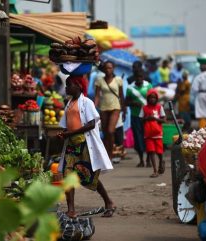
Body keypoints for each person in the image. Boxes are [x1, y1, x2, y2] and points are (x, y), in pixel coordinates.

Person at [58, 75, 115, 218]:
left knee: (89, 176)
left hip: (84, 144)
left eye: (69, 84)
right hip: (71, 145)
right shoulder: (69, 103)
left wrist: (70, 132)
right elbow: (67, 124)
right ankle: (71, 210)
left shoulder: (87, 102)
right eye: (66, 85)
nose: (66, 87)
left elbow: (91, 124)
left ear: (79, 86)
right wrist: (64, 133)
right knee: (67, 175)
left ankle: (109, 202)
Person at [94, 61, 126, 160]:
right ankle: (106, 152)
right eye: (107, 68)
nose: (108, 70)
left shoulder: (118, 79)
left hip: (115, 107)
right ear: (104, 69)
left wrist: (124, 109)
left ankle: (110, 152)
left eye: (110, 68)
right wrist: (94, 107)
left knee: (110, 131)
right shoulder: (99, 80)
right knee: (105, 132)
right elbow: (97, 96)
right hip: (103, 108)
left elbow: (121, 95)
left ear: (113, 69)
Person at [125, 70, 152, 167]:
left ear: (143, 77)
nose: (139, 79)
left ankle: (149, 160)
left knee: (148, 137)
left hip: (147, 116)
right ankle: (141, 160)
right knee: (138, 138)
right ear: (135, 78)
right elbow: (126, 102)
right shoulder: (130, 88)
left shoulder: (148, 86)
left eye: (141, 77)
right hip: (135, 116)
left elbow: (153, 99)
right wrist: (133, 103)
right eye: (137, 77)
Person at [139, 89, 166, 177]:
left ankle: (161, 162)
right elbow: (140, 119)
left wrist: (155, 119)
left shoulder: (159, 107)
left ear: (157, 99)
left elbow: (164, 119)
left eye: (154, 98)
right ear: (148, 99)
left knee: (159, 152)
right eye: (150, 98)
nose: (152, 99)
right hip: (148, 134)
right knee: (151, 151)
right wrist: (147, 118)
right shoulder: (144, 108)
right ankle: (155, 170)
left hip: (158, 133)